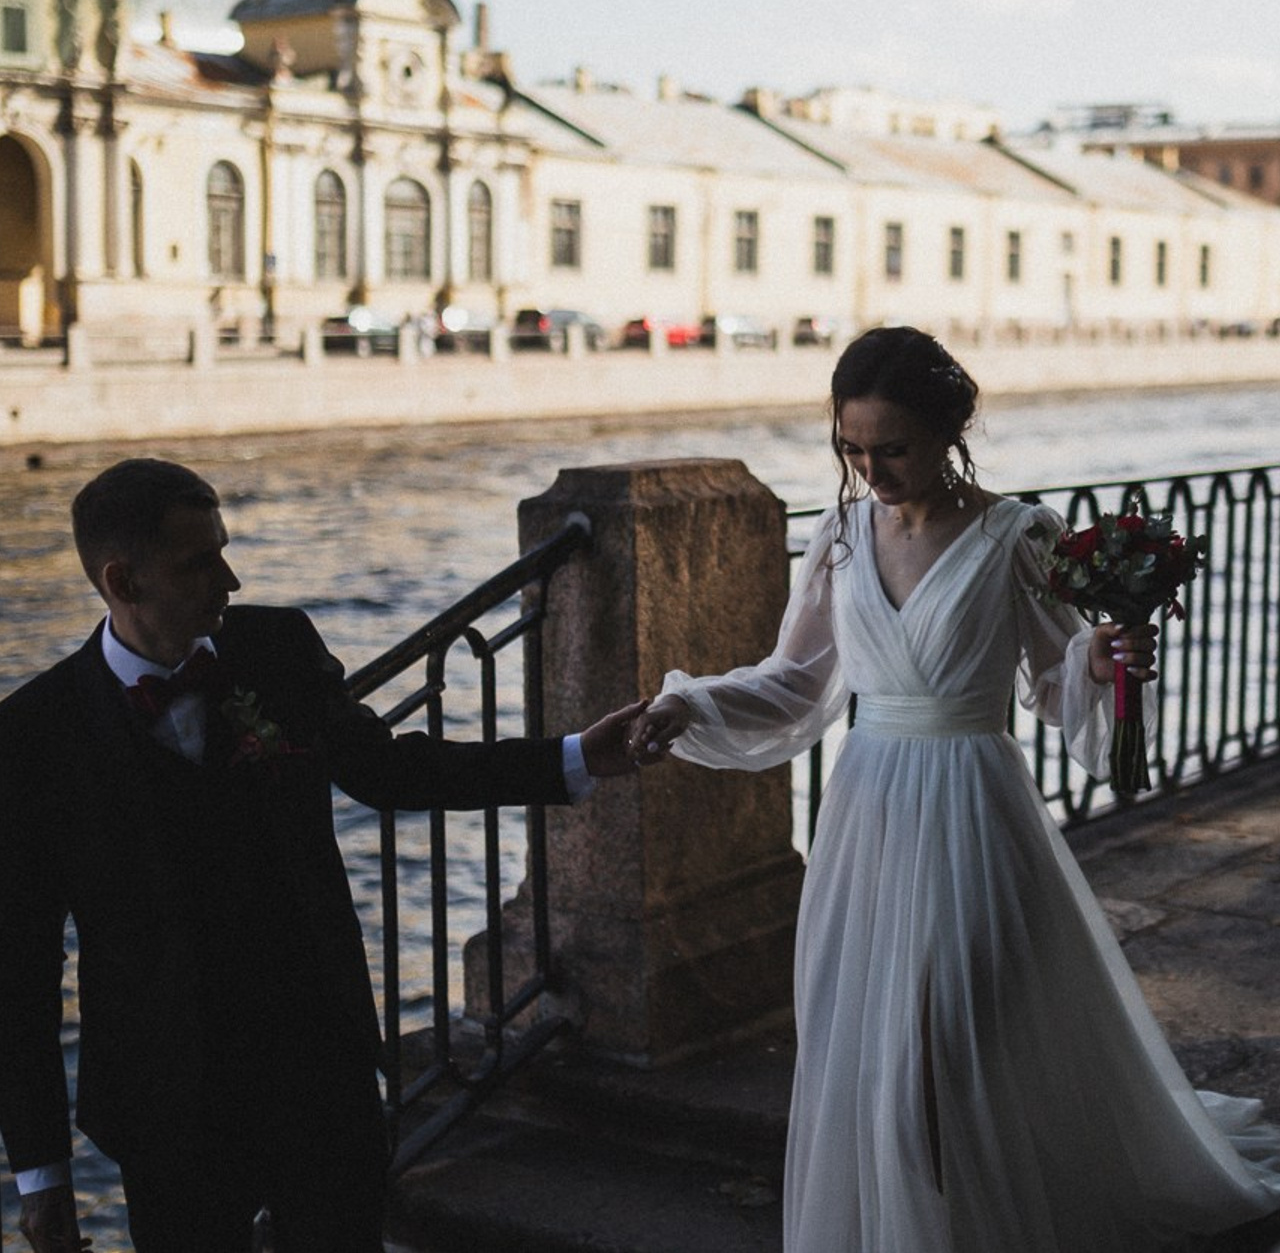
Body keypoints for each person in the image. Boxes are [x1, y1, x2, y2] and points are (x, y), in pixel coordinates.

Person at [629, 326, 1280, 1251]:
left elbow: (1057, 686)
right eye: (854, 449)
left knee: (944, 1045)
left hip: (974, 810)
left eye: (892, 447)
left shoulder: (1018, 535)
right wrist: (688, 706)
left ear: (949, 429)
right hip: (868, 817)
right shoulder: (843, 535)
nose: (872, 470)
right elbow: (796, 682)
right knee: (872, 1053)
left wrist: (1097, 655)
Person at [0, 457, 647, 1253]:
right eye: (199, 562)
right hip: (167, 1105)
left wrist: (575, 757)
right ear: (122, 582)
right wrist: (42, 1174)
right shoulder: (34, 736)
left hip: (318, 1071)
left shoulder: (277, 648)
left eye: (224, 550)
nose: (229, 580)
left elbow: (393, 768)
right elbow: (20, 971)